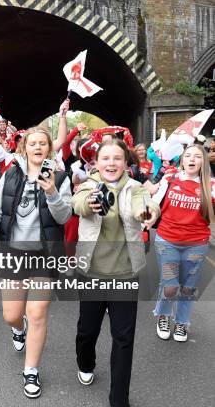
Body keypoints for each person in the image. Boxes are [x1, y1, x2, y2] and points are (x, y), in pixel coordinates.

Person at [0, 122, 72, 399]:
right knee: (12, 315)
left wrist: (52, 192)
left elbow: (64, 216)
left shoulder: (60, 177)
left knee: (38, 313)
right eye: (33, 143)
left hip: (45, 254)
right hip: (13, 253)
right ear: (25, 147)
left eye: (43, 143)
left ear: (50, 147)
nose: (38, 147)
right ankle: (18, 331)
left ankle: (31, 370)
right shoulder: (11, 174)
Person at [72, 139, 159, 407]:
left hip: (124, 275)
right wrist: (91, 204)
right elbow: (79, 204)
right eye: (106, 158)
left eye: (117, 158)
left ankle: (119, 398)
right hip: (92, 274)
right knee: (88, 331)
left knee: (124, 338)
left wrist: (147, 212)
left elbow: (144, 204)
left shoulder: (135, 188)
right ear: (96, 162)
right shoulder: (86, 185)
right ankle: (85, 363)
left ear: (126, 162)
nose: (111, 163)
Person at [151, 144, 214, 342]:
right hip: (167, 241)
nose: (192, 159)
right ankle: (163, 315)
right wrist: (147, 217)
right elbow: (154, 203)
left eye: (197, 156)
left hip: (196, 244)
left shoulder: (211, 186)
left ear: (204, 161)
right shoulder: (170, 179)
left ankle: (181, 322)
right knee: (170, 287)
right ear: (182, 159)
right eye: (188, 155)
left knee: (187, 288)